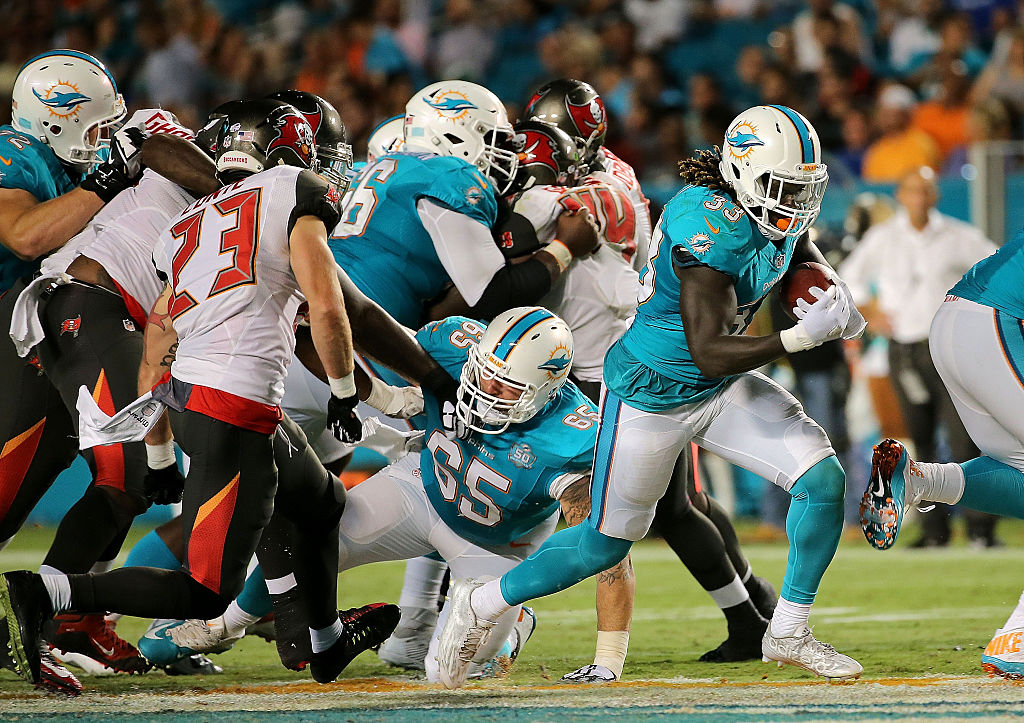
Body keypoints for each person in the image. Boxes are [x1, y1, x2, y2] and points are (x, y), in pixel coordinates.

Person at [435, 104, 868, 689]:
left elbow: (798, 246)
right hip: (653, 390)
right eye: (780, 188)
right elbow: (709, 348)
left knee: (823, 482)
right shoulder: (707, 224)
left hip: (716, 386)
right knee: (604, 543)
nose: (793, 204)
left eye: (801, 190)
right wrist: (797, 335)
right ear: (742, 177)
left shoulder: (771, 214)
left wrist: (832, 293)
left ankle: (787, 630)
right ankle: (482, 602)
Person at [0, 100, 423, 688]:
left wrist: (162, 453)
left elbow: (165, 331)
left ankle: (316, 636)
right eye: (309, 156)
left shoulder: (194, 225)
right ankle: (51, 604)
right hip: (94, 313)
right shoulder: (257, 193)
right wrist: (364, 395)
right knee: (161, 532)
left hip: (126, 342)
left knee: (315, 498)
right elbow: (330, 310)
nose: (319, 171)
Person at [162, 308, 636, 683]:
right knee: (312, 544)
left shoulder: (571, 437)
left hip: (495, 545)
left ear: (547, 388)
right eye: (484, 370)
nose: (486, 388)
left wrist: (608, 659)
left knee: (444, 674)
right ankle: (226, 624)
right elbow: (357, 333)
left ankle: (512, 628)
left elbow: (605, 548)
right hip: (421, 489)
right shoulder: (454, 344)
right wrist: (383, 396)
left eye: (506, 384)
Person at [523, 79, 778, 671]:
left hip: (611, 361)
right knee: (681, 501)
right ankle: (750, 599)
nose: (541, 151)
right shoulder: (615, 172)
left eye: (550, 138)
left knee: (658, 510)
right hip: (630, 349)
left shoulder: (587, 189)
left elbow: (528, 241)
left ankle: (745, 618)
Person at [0, 49, 173, 692]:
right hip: (29, 325)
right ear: (54, 122)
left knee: (126, 473)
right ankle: (54, 614)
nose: (101, 143)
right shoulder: (13, 155)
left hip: (48, 333)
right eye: (94, 128)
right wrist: (104, 183)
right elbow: (24, 237)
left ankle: (69, 615)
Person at [858, 227, 1024, 679]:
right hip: (992, 324)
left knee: (1019, 471)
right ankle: (1019, 638)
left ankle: (917, 480)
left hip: (955, 323)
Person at [839, 167, 998, 547]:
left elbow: (995, 265)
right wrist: (870, 314)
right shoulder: (883, 238)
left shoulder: (959, 235)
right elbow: (847, 277)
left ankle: (980, 531)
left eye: (925, 191)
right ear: (900, 195)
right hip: (905, 349)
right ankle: (934, 533)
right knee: (920, 442)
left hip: (950, 348)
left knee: (964, 442)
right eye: (912, 191)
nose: (919, 198)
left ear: (935, 195)